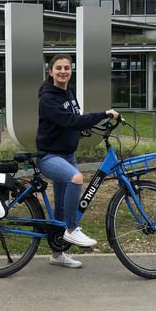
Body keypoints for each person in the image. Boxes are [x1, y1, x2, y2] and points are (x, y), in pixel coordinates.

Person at [35, 54, 119, 268]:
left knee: (61, 210)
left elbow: (73, 121)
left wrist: (86, 128)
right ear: (50, 71)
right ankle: (72, 230)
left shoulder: (68, 93)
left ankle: (57, 255)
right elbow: (70, 120)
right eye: (59, 68)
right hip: (50, 157)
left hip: (67, 155)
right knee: (76, 178)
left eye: (67, 68)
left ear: (71, 71)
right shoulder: (48, 98)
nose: (63, 71)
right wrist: (103, 114)